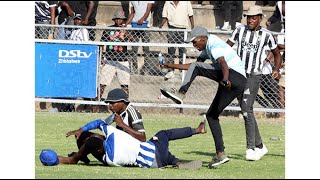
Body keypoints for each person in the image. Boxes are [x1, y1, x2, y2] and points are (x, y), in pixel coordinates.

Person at [159, 26, 247, 168]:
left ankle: (180, 93)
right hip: (239, 82)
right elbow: (193, 67)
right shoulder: (206, 47)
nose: (193, 46)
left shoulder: (214, 45)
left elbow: (223, 63)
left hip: (231, 75)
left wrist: (225, 79)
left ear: (203, 38)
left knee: (197, 66)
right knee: (211, 116)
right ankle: (220, 154)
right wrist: (170, 65)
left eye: (194, 42)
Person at [226, 5, 282, 161]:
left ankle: (250, 148)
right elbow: (226, 48)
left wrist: (276, 69)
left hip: (254, 75)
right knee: (247, 110)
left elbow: (277, 55)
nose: (250, 20)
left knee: (246, 108)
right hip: (238, 74)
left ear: (260, 19)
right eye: (248, 17)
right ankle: (260, 145)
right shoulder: (239, 30)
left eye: (254, 17)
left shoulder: (267, 35)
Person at [41, 118, 206, 169]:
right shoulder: (113, 135)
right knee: (163, 134)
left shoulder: (110, 161)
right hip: (153, 149)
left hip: (153, 163)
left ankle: (175, 161)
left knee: (158, 152)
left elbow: (75, 157)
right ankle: (197, 130)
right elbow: (99, 123)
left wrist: (54, 158)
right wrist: (81, 129)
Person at [69, 88, 147, 164]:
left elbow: (142, 138)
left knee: (94, 139)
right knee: (83, 135)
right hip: (117, 144)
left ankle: (78, 156)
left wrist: (122, 125)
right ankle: (82, 156)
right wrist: (81, 130)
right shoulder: (117, 112)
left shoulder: (132, 113)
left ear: (122, 102)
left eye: (112, 103)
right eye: (109, 103)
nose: (110, 106)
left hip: (127, 152)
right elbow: (102, 123)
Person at [158, 1, 194, 80]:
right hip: (172, 28)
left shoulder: (186, 2)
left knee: (182, 51)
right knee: (171, 50)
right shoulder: (168, 2)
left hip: (183, 29)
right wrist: (160, 26)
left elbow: (191, 15)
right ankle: (171, 71)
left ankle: (182, 72)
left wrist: (192, 28)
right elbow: (165, 16)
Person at [99, 10, 131, 99]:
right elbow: (101, 43)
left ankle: (126, 103)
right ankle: (95, 105)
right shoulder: (109, 29)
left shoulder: (125, 30)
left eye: (121, 19)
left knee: (125, 85)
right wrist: (101, 56)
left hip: (122, 59)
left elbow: (133, 40)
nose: (119, 21)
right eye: (117, 19)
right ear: (114, 19)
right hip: (110, 59)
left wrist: (125, 33)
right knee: (102, 83)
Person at [124, 1, 154, 74]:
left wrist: (143, 19)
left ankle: (146, 69)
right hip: (135, 25)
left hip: (145, 25)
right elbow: (132, 13)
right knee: (134, 49)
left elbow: (148, 10)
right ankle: (134, 68)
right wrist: (126, 24)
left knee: (146, 48)